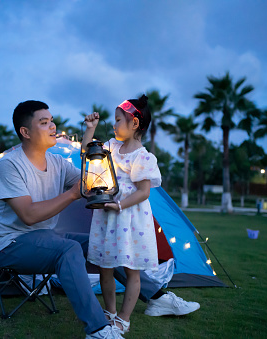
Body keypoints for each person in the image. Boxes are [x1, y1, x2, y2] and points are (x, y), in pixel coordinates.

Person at [0, 100, 199, 339]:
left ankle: (157, 298)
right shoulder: (9, 165)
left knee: (101, 243)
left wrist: (119, 176)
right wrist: (71, 194)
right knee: (67, 249)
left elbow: (91, 183)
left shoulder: (57, 163)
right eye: (44, 123)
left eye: (52, 120)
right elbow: (28, 215)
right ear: (25, 132)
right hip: (10, 244)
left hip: (46, 238)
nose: (53, 126)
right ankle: (99, 329)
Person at [82, 95, 160, 334]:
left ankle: (123, 318)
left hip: (129, 218)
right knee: (105, 266)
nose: (114, 125)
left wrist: (120, 205)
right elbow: (87, 152)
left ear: (134, 124)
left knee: (131, 269)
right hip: (107, 217)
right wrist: (90, 129)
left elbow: (144, 192)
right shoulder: (111, 147)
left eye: (118, 120)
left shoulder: (143, 156)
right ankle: (110, 311)